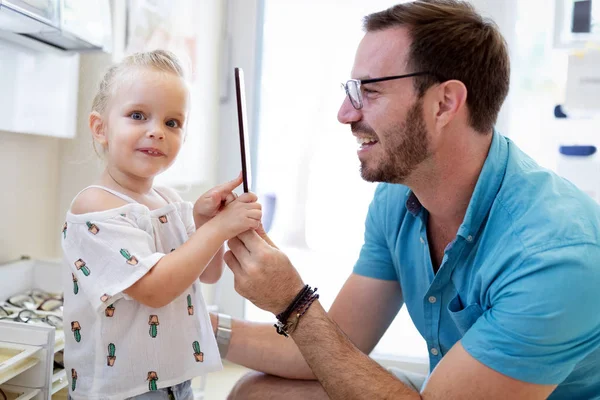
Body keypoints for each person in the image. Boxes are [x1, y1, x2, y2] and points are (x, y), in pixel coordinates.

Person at [214, 1, 600, 399]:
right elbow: (328, 345)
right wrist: (198, 328)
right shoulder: (400, 198)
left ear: (444, 104)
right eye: (351, 91)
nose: (345, 113)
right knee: (257, 394)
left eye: (370, 91)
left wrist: (293, 302)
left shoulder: (554, 253)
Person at [61, 49, 262, 399]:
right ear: (100, 128)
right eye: (138, 115)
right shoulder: (95, 205)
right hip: (122, 391)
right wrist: (218, 230)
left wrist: (204, 222)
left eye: (172, 123)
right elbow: (155, 290)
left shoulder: (168, 200)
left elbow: (207, 274)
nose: (156, 132)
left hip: (175, 381)